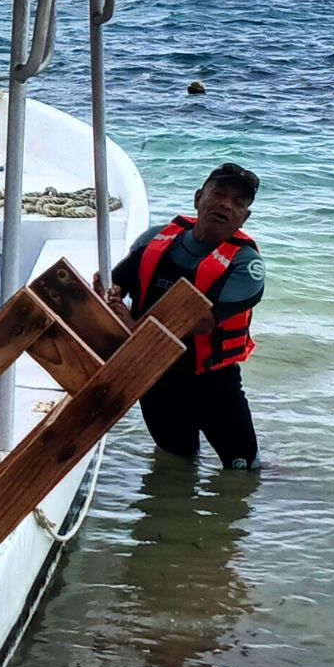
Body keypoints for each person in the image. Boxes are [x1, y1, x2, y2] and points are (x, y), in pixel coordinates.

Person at [105, 162, 264, 470]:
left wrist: (131, 325)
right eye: (218, 194)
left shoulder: (246, 266)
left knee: (243, 471)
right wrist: (108, 294)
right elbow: (114, 282)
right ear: (197, 199)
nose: (225, 204)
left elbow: (200, 320)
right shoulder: (154, 240)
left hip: (213, 386)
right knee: (176, 466)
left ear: (244, 218)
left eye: (237, 202)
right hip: (156, 382)